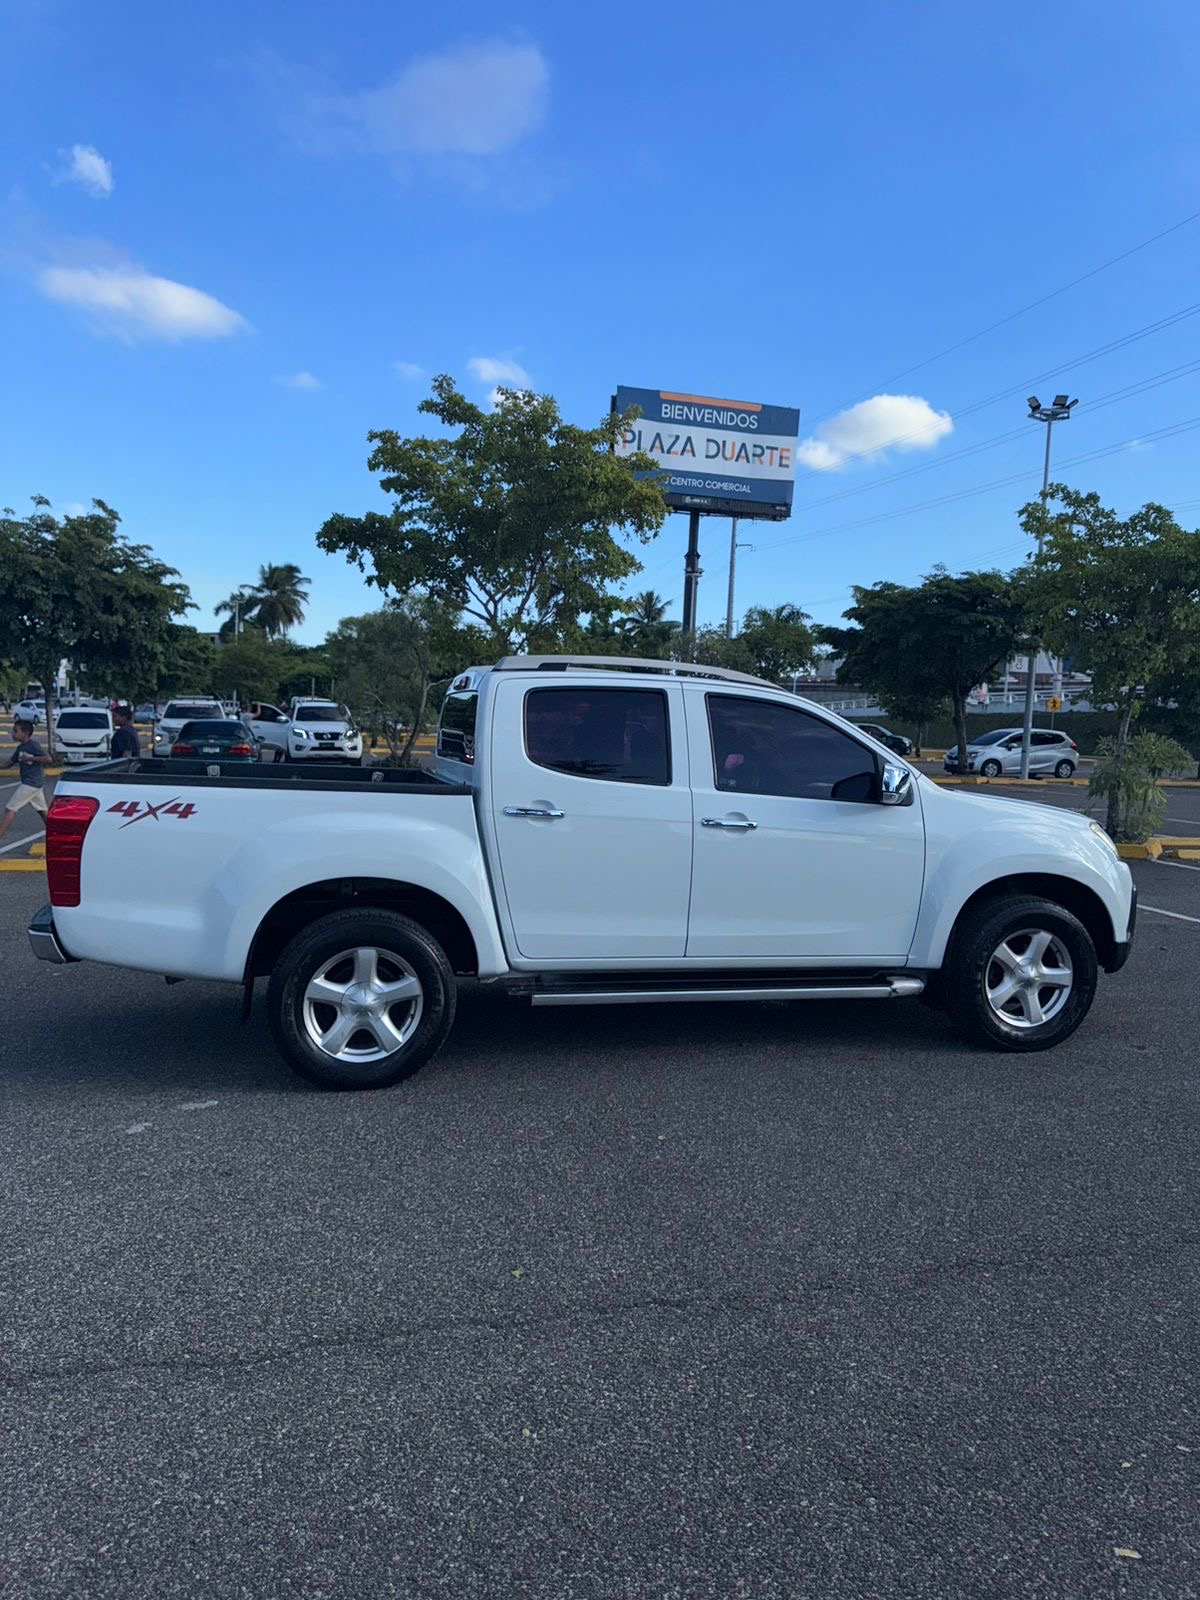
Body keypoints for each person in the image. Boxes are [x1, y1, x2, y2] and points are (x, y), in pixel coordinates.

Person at [0, 718, 53, 843]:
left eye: (15, 731)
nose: (13, 734)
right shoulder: (20, 748)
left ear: (25, 733)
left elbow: (48, 759)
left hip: (31, 783)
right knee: (43, 812)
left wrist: (31, 758)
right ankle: (57, 835)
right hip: (34, 785)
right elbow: (9, 764)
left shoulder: (33, 745)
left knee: (10, 808)